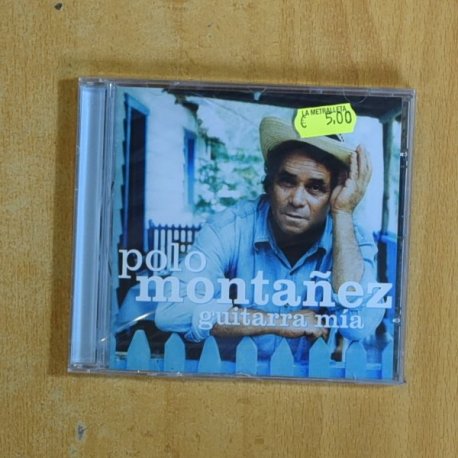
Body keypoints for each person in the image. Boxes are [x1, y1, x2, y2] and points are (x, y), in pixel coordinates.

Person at [153, 116, 385, 361]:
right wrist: (280, 322)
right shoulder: (230, 227)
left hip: (310, 379)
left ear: (334, 193)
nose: (297, 200)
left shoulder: (350, 237)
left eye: (315, 188)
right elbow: (172, 311)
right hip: (230, 376)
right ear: (270, 184)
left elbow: (358, 325)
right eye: (287, 182)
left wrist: (343, 212)